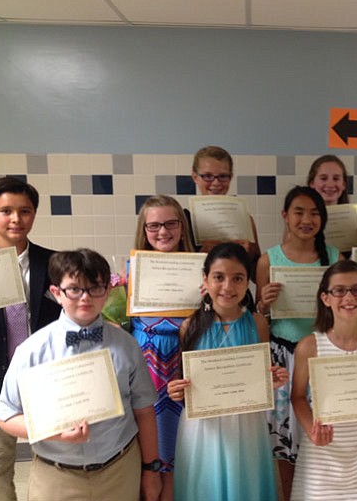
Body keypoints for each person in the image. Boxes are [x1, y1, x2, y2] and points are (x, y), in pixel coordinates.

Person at [0, 249, 161, 501]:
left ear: (107, 292)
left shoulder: (126, 345)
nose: (85, 297)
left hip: (119, 470)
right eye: (74, 289)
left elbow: (144, 412)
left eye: (94, 288)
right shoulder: (31, 350)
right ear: (57, 293)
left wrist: (151, 469)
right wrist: (53, 432)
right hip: (56, 476)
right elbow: (6, 415)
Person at [166, 243, 289, 501]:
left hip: (246, 424)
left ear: (248, 283)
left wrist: (271, 382)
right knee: (205, 485)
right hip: (203, 427)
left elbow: (258, 376)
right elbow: (185, 381)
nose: (228, 287)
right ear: (205, 280)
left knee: (245, 483)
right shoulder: (189, 326)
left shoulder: (257, 323)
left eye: (237, 278)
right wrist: (177, 390)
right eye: (219, 277)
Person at [256, 186, 341, 499]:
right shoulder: (268, 261)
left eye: (315, 212)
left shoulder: (333, 257)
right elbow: (259, 318)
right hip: (284, 357)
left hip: (324, 357)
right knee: (285, 441)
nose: (307, 219)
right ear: (285, 216)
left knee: (324, 434)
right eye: (299, 212)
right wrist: (263, 305)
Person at [291, 260, 357, 500]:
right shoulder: (309, 346)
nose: (349, 297)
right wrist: (312, 430)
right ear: (325, 298)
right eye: (339, 290)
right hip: (322, 452)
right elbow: (297, 397)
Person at [0, 176, 61, 501]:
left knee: (53, 470)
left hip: (46, 380)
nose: (16, 219)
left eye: (25, 210)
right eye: (6, 211)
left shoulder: (56, 263)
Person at [130, 195, 195, 501]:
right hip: (146, 374)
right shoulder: (131, 272)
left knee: (182, 459)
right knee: (150, 465)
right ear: (144, 230)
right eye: (154, 225)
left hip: (186, 372)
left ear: (182, 228)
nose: (163, 231)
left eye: (170, 223)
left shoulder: (202, 269)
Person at [188, 145, 261, 271]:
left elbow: (255, 274)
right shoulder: (183, 221)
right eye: (207, 176)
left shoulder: (245, 219)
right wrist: (200, 255)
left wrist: (250, 253)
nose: (216, 183)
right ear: (195, 177)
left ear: (231, 177)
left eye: (222, 176)